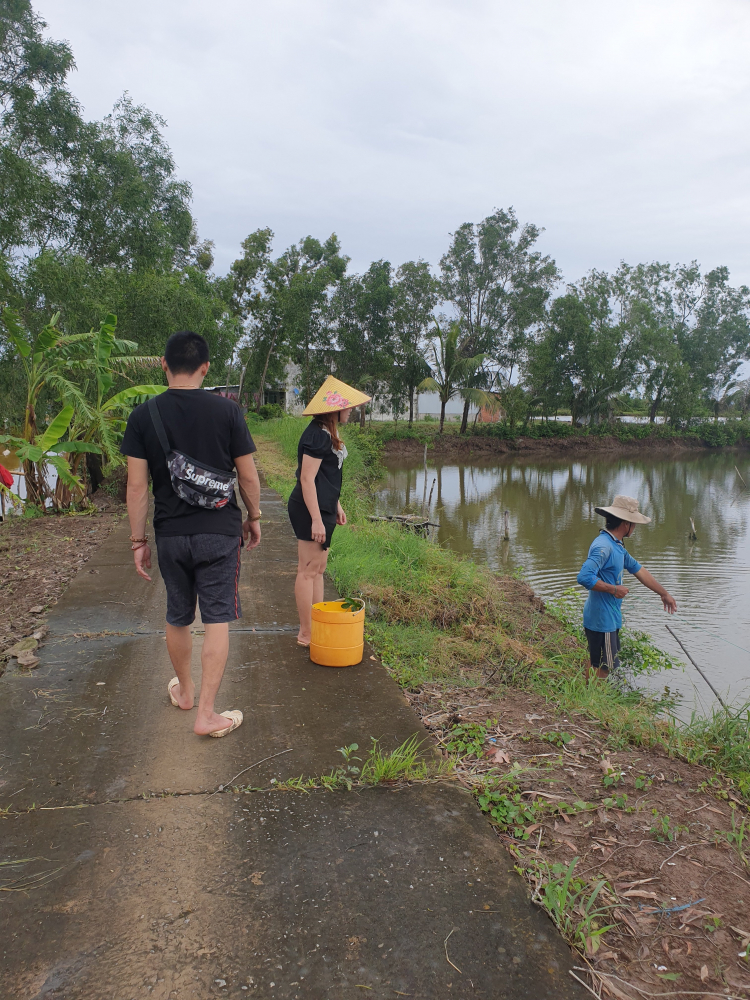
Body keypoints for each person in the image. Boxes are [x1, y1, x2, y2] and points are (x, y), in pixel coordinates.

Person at [121, 331, 262, 736]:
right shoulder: (228, 412)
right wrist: (253, 516)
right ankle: (207, 714)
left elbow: (136, 487)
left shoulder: (143, 416)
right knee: (217, 618)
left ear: (163, 365)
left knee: (178, 615)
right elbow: (248, 476)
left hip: (170, 535)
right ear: (205, 368)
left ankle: (185, 693)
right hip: (219, 532)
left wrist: (138, 541)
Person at [287, 376, 371, 647]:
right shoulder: (316, 436)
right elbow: (307, 479)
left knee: (319, 569)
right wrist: (316, 519)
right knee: (308, 570)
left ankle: (318, 626)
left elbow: (327, 477)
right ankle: (306, 633)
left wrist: (336, 505)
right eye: (347, 407)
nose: (350, 411)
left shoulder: (327, 434)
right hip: (309, 509)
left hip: (323, 508)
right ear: (333, 409)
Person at [577, 494, 677, 680]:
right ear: (626, 524)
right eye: (634, 523)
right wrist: (614, 589)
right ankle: (593, 702)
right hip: (601, 618)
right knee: (604, 666)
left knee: (596, 660)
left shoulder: (617, 546)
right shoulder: (603, 547)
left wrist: (664, 594)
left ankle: (587, 697)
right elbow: (584, 577)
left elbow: (639, 570)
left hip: (607, 617)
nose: (635, 527)